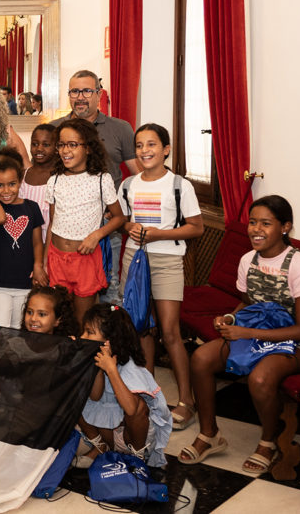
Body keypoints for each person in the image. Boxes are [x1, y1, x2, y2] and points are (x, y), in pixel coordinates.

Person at [179, 195, 300, 475]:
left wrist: (244, 331)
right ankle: (209, 434)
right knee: (202, 358)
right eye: (252, 222)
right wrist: (231, 318)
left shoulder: (299, 265)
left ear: (285, 227)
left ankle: (270, 441)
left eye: (266, 223)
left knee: (260, 378)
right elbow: (248, 303)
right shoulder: (248, 260)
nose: (256, 229)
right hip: (258, 334)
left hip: (296, 344)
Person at [119, 123, 204, 430]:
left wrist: (158, 235)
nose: (145, 151)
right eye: (140, 145)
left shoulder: (179, 185)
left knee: (169, 332)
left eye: (152, 144)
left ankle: (186, 401)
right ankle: (148, 391)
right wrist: (128, 228)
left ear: (166, 149)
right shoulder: (129, 185)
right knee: (140, 329)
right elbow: (122, 221)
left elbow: (196, 227)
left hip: (168, 260)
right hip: (134, 258)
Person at [51, 70, 138, 305]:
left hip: (107, 227)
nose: (80, 97)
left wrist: (127, 212)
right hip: (66, 232)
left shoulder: (120, 128)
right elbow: (49, 175)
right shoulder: (55, 128)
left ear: (99, 94)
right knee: (64, 302)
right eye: (74, 91)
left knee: (107, 293)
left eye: (87, 91)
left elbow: (138, 176)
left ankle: (103, 342)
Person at [45, 118, 126, 324]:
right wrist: (45, 261)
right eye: (61, 145)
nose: (65, 150)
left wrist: (96, 235)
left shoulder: (101, 179)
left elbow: (119, 217)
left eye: (73, 145)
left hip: (85, 259)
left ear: (88, 148)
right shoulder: (54, 180)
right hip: (57, 258)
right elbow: (52, 223)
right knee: (61, 319)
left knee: (81, 321)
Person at [75, 303, 173, 469]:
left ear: (109, 341)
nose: (83, 337)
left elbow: (131, 409)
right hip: (110, 434)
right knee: (74, 395)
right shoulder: (96, 360)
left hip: (132, 439)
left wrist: (111, 370)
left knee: (138, 407)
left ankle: (137, 457)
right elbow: (95, 396)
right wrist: (98, 369)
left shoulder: (130, 368)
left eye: (89, 332)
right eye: (83, 331)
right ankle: (101, 448)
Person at [0, 148, 45, 328]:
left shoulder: (32, 207)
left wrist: (38, 265)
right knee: (0, 333)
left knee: (21, 334)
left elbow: (37, 242)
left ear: (20, 182)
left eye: (12, 184)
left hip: (25, 284)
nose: (6, 191)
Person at [18, 124, 57, 242]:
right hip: (24, 242)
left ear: (56, 148)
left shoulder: (58, 178)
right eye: (35, 144)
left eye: (46, 145)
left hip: (49, 244)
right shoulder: (22, 176)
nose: (39, 148)